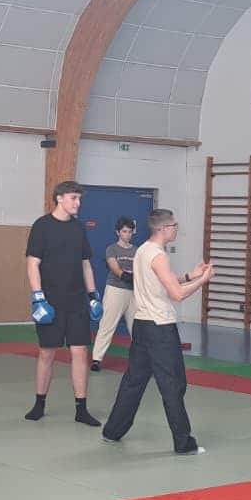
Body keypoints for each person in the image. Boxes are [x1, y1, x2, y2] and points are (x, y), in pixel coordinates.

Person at [101, 210, 213, 454]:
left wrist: (190, 275)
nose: (176, 229)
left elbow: (165, 282)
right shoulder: (158, 256)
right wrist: (202, 281)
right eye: (174, 225)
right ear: (163, 229)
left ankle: (112, 431)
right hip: (160, 327)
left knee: (133, 381)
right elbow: (177, 294)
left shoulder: (142, 250)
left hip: (142, 324)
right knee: (173, 384)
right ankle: (183, 442)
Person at [23, 181, 103, 425]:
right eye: (73, 198)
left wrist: (93, 296)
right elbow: (33, 263)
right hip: (50, 300)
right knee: (47, 353)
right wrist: (38, 297)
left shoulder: (79, 228)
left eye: (79, 199)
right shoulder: (42, 226)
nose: (78, 203)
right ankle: (39, 403)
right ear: (59, 198)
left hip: (77, 301)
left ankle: (81, 408)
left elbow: (85, 264)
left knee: (80, 352)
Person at [89, 217, 139, 372]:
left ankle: (140, 359)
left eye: (130, 232)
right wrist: (125, 275)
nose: (127, 234)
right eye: (124, 231)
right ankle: (97, 359)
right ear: (118, 232)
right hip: (115, 290)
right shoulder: (112, 249)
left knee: (137, 327)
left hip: (133, 293)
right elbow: (114, 267)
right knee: (107, 325)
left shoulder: (137, 251)